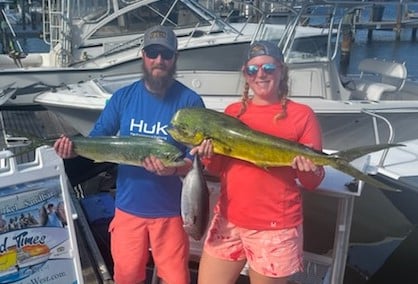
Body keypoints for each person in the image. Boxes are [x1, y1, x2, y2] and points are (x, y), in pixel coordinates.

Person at [54, 25, 205, 284]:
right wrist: (70, 151)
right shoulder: (123, 98)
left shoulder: (190, 102)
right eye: (153, 52)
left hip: (170, 214)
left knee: (177, 280)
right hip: (128, 211)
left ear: (175, 59)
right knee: (126, 278)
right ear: (143, 55)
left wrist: (174, 168)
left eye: (166, 55)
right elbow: (97, 139)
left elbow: (194, 160)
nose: (159, 60)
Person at [192, 41, 325, 284]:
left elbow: (313, 181)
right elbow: (219, 168)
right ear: (245, 74)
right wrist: (207, 155)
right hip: (229, 220)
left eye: (268, 68)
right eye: (252, 70)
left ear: (281, 71)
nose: (260, 75)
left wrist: (310, 169)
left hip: (275, 229)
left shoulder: (302, 115)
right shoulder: (233, 112)